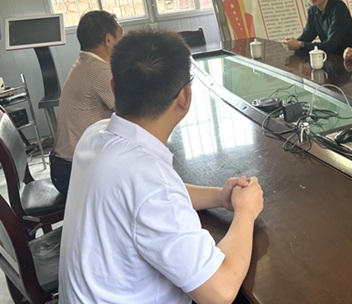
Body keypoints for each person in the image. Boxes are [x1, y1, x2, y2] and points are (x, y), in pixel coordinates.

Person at [59, 28, 264, 303]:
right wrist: (246, 211)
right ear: (185, 97)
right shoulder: (150, 181)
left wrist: (219, 196)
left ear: (114, 88)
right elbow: (220, 291)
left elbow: (148, 198)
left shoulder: (95, 135)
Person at [50, 10, 123, 195]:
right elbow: (133, 114)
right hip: (74, 172)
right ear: (108, 40)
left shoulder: (85, 63)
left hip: (65, 166)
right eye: (121, 37)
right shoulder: (100, 72)